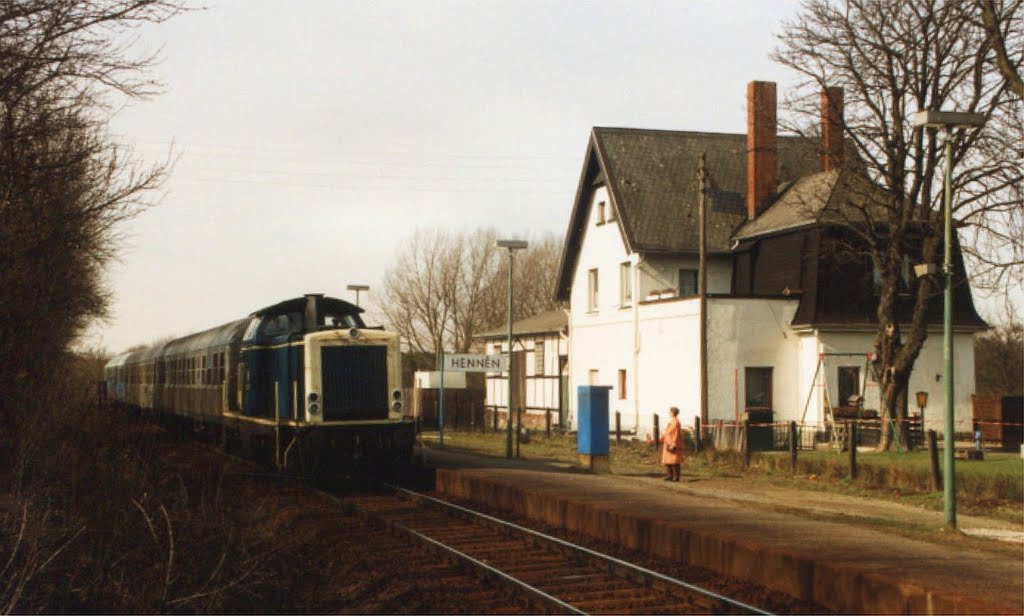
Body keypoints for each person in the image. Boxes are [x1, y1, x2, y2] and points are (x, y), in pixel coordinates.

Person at [661, 406, 683, 481]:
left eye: (670, 412)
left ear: (673, 413)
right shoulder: (671, 421)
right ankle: (669, 475)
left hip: (673, 443)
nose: (669, 413)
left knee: (674, 461)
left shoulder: (675, 422)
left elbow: (675, 434)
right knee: (668, 460)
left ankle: (676, 476)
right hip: (668, 442)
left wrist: (673, 444)